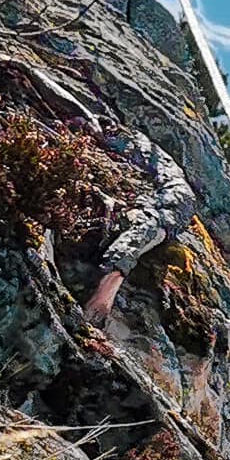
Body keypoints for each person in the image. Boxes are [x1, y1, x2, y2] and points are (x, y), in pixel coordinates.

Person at [80, 122, 201, 326]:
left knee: (161, 217)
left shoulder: (171, 183)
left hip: (163, 201)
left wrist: (111, 283)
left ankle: (107, 285)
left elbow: (160, 218)